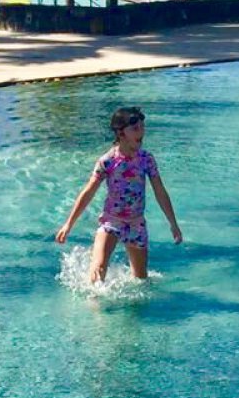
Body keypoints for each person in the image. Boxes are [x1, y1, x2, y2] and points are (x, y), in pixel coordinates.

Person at [55, 105, 182, 283]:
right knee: (97, 272)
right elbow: (89, 191)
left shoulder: (146, 160)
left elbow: (160, 191)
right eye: (135, 128)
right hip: (111, 221)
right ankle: (93, 301)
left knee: (140, 280)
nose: (141, 132)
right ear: (121, 133)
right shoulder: (107, 161)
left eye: (142, 127)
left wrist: (173, 223)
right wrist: (69, 224)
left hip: (137, 224)